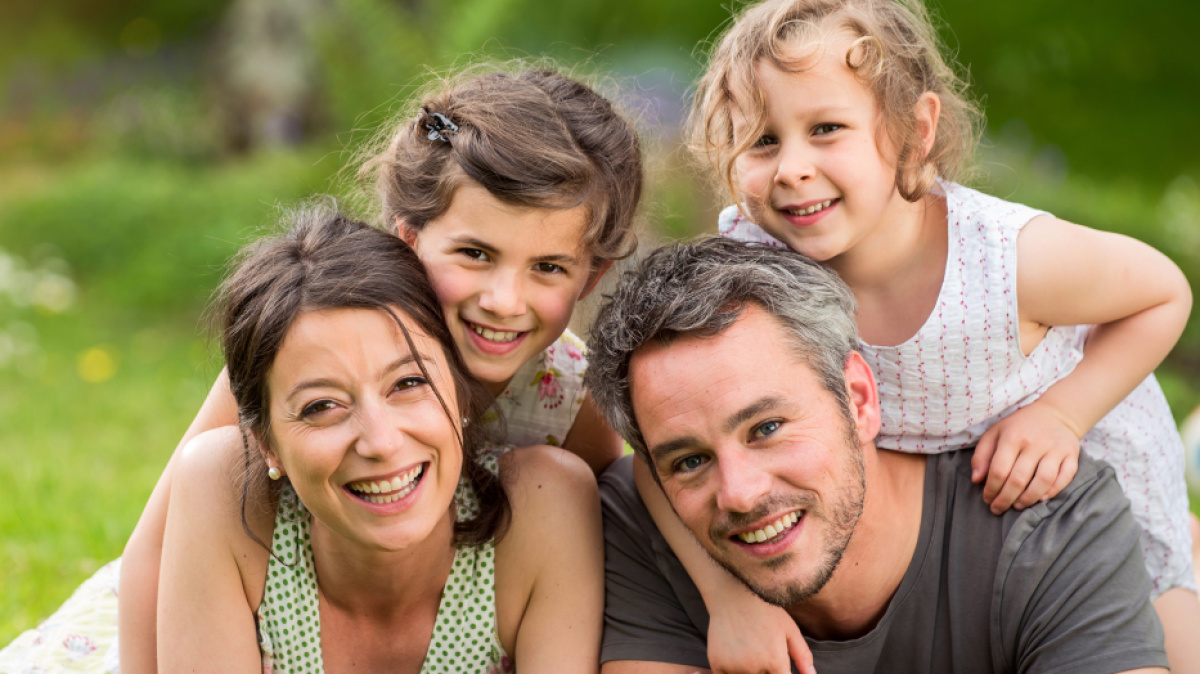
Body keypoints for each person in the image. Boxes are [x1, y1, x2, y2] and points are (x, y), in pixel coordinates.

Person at [1, 65, 642, 672]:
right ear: (408, 239)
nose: (503, 300)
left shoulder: (566, 390)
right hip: (193, 608)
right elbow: (157, 546)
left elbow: (608, 530)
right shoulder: (313, 352)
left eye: (548, 267)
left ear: (593, 275)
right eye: (475, 253)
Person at [628, 0, 1198, 671]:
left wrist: (1062, 416)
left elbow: (1163, 292)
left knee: (1169, 636)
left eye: (827, 128)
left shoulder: (1006, 260)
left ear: (912, 130)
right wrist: (730, 598)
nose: (790, 168)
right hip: (931, 529)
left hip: (1067, 467)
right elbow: (663, 450)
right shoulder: (754, 263)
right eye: (762, 141)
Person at [586, 236, 1170, 673]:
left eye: (766, 427)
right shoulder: (639, 530)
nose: (740, 493)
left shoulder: (1049, 529)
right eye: (688, 461)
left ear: (859, 399)